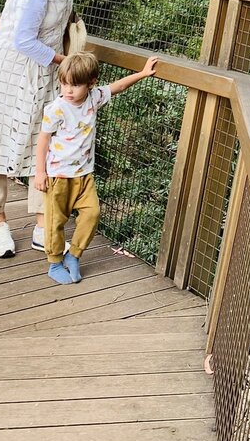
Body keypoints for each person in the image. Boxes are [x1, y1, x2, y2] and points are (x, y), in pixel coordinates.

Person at [0, 0, 181, 257]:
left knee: (48, 144)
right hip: (11, 70)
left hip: (48, 69)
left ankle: (43, 227)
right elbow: (23, 40)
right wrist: (64, 62)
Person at [34, 51, 159, 284]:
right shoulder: (56, 109)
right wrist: (39, 172)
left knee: (92, 213)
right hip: (58, 176)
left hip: (84, 175)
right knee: (55, 221)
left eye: (75, 85)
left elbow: (118, 86)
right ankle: (54, 263)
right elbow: (42, 140)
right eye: (64, 84)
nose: (68, 90)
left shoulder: (94, 97)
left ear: (91, 84)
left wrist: (142, 73)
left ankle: (74, 255)